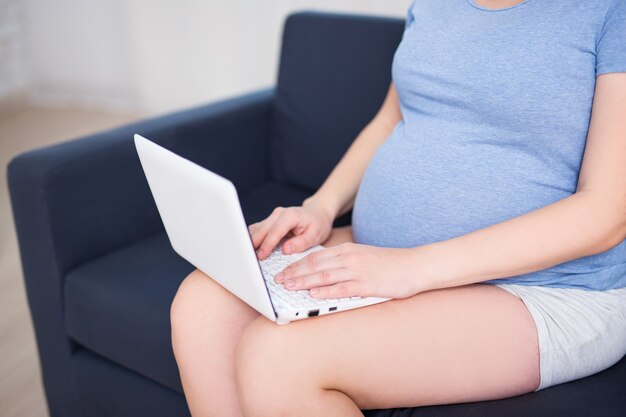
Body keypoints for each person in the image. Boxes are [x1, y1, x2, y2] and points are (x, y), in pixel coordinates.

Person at [170, 1, 626, 416]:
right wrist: (321, 207)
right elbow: (394, 119)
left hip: (549, 286)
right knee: (202, 303)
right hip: (397, 256)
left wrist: (413, 268)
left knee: (277, 358)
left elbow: (607, 214)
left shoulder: (609, 12)